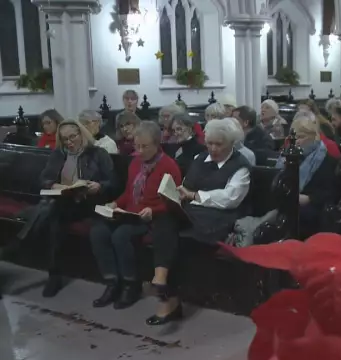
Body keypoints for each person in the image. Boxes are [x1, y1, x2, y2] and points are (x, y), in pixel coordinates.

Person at [146, 119, 252, 326]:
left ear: (231, 143)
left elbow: (229, 199)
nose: (212, 148)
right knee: (163, 221)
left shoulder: (241, 167)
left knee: (177, 241)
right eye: (209, 143)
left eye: (218, 144)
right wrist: (176, 193)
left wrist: (194, 195)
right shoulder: (199, 158)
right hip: (192, 213)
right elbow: (186, 185)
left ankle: (168, 298)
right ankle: (163, 283)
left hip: (219, 218)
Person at [2, 120, 115, 297]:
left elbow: (112, 182)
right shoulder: (59, 155)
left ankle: (20, 247)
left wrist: (99, 186)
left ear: (81, 134)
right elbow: (44, 178)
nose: (69, 143)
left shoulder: (98, 154)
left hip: (89, 204)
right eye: (65, 140)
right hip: (65, 203)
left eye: (73, 137)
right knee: (55, 217)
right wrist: (54, 186)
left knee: (50, 210)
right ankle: (54, 274)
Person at [89, 121, 182, 309]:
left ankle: (131, 285)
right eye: (136, 146)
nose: (139, 151)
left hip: (151, 218)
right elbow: (128, 193)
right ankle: (112, 282)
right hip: (130, 213)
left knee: (121, 235)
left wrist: (153, 210)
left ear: (157, 144)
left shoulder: (168, 166)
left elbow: (174, 202)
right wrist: (115, 203)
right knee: (98, 231)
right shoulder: (135, 163)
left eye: (144, 146)